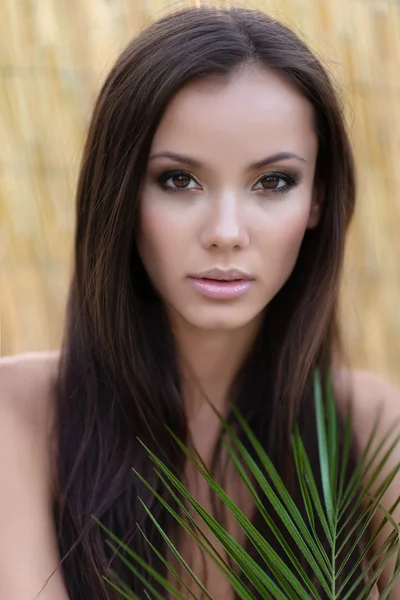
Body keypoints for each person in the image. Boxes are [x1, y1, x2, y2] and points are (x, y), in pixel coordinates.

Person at [0, 4, 399, 599]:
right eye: (179, 180)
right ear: (121, 194)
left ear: (317, 200)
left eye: (273, 182)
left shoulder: (368, 428)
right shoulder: (19, 416)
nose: (226, 231)